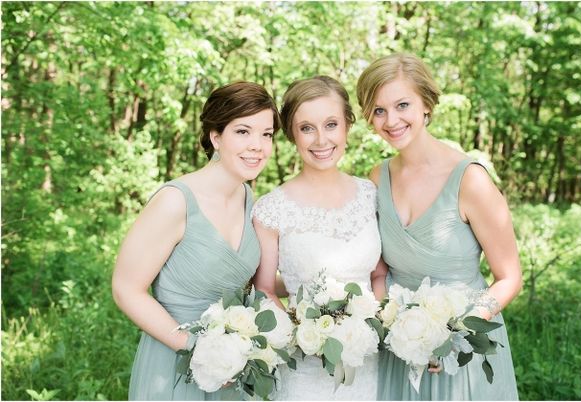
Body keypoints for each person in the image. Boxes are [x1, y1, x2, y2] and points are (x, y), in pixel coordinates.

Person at [356, 53, 521, 400]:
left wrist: (456, 332)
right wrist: (395, 326)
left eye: (402, 105)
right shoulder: (376, 177)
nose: (391, 120)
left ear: (426, 105)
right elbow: (379, 272)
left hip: (463, 347)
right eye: (379, 110)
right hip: (400, 347)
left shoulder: (470, 180)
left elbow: (509, 277)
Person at [112, 81, 279, 400]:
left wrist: (316, 288)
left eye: (266, 134)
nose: (257, 145)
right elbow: (126, 289)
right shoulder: (176, 202)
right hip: (175, 364)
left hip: (232, 365)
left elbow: (248, 282)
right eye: (243, 131)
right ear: (216, 136)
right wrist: (196, 348)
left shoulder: (247, 197)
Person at [252, 75, 387, 400]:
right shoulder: (271, 209)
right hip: (305, 367)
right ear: (292, 135)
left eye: (331, 124)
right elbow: (265, 289)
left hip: (368, 364)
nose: (321, 140)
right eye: (307, 128)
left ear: (347, 127)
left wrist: (373, 328)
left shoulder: (373, 195)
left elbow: (379, 274)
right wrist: (304, 335)